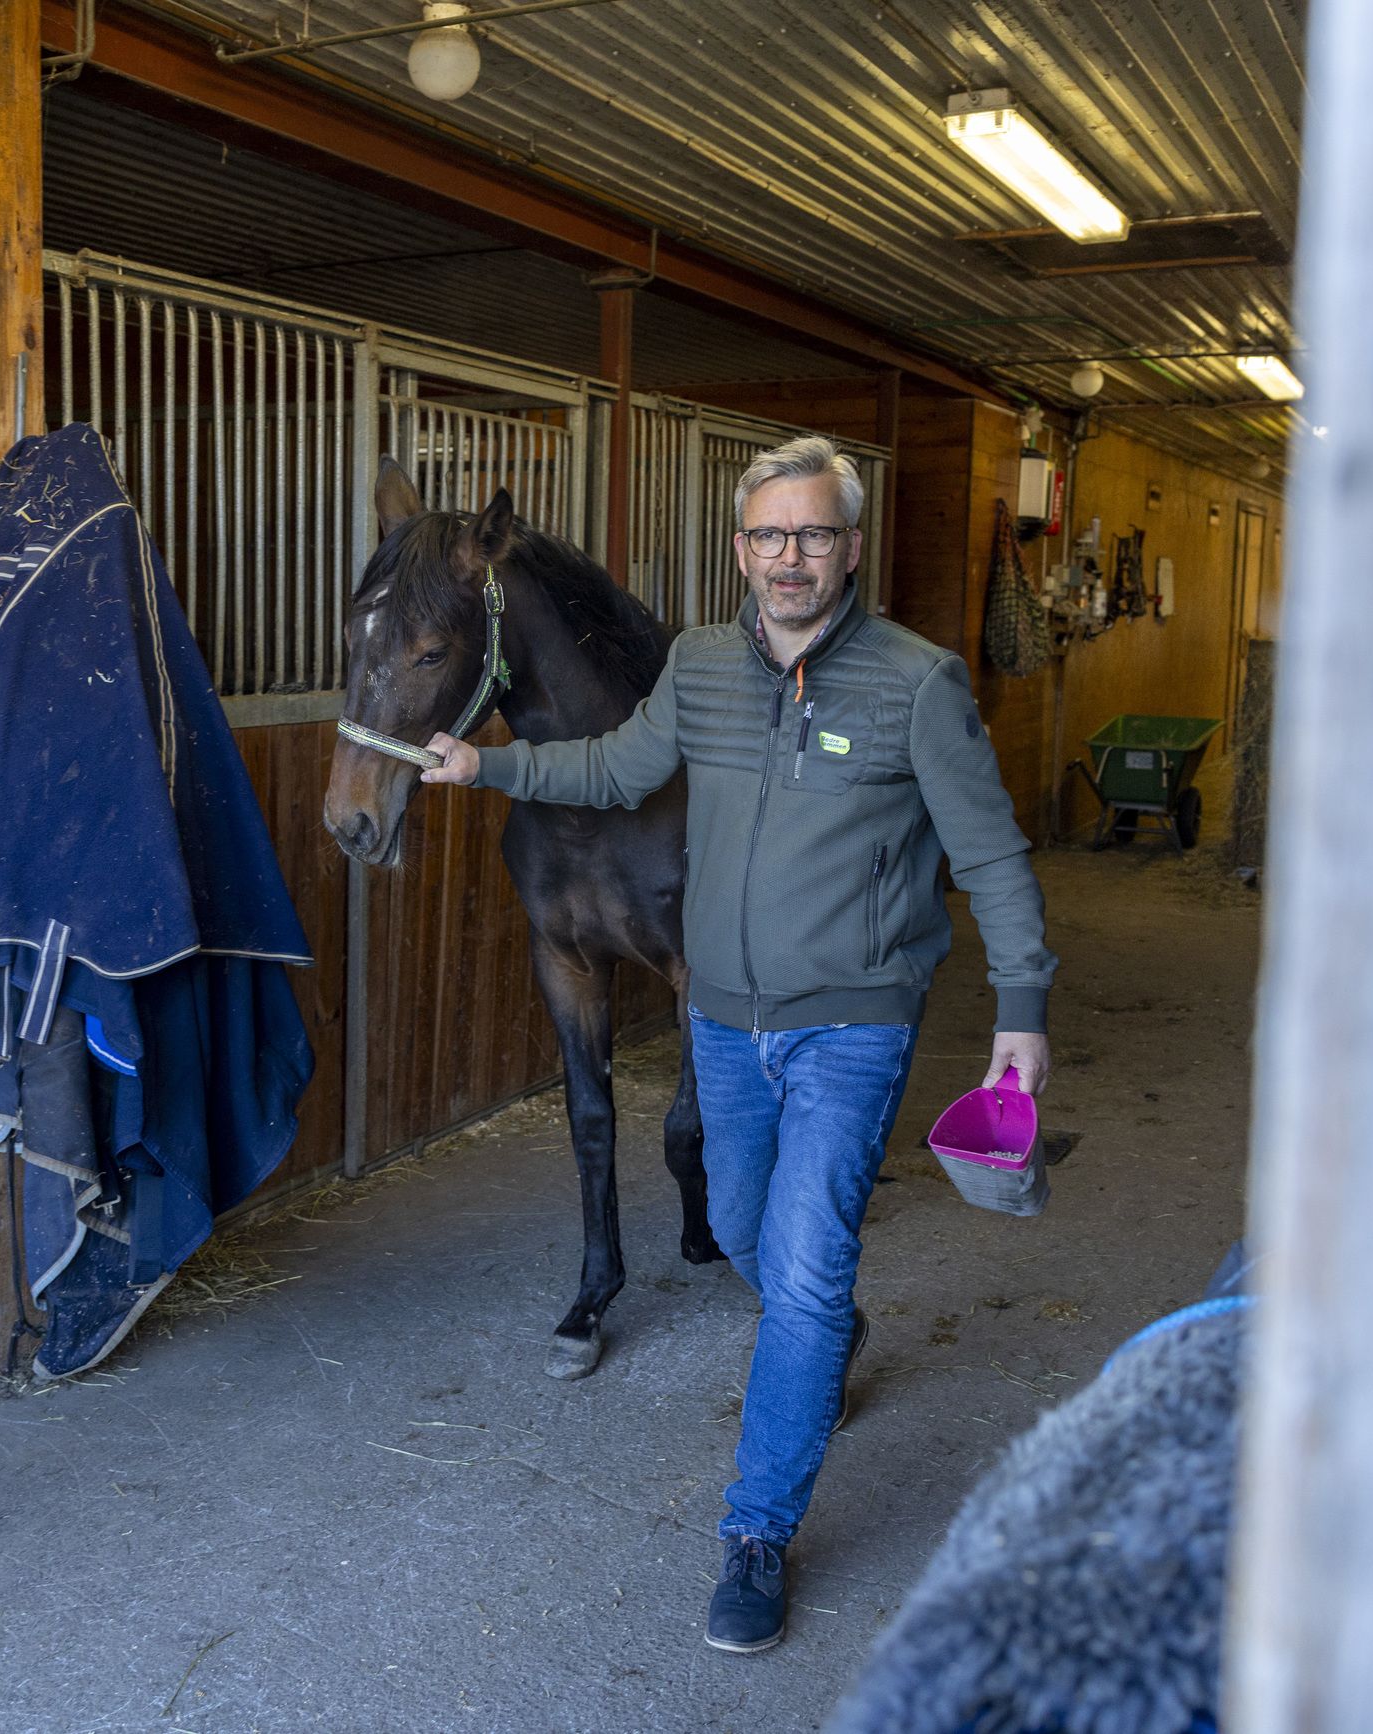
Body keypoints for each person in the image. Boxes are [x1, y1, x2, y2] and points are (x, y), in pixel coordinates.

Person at [421, 435, 1056, 1654]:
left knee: (803, 1274)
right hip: (720, 1021)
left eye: (812, 534)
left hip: (851, 1025)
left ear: (849, 548)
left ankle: (756, 1530)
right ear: (739, 549)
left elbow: (988, 854)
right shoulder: (702, 667)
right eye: (768, 535)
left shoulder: (916, 684)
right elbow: (616, 767)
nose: (788, 557)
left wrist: (1019, 1010)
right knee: (748, 1235)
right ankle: (821, 1336)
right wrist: (483, 764)